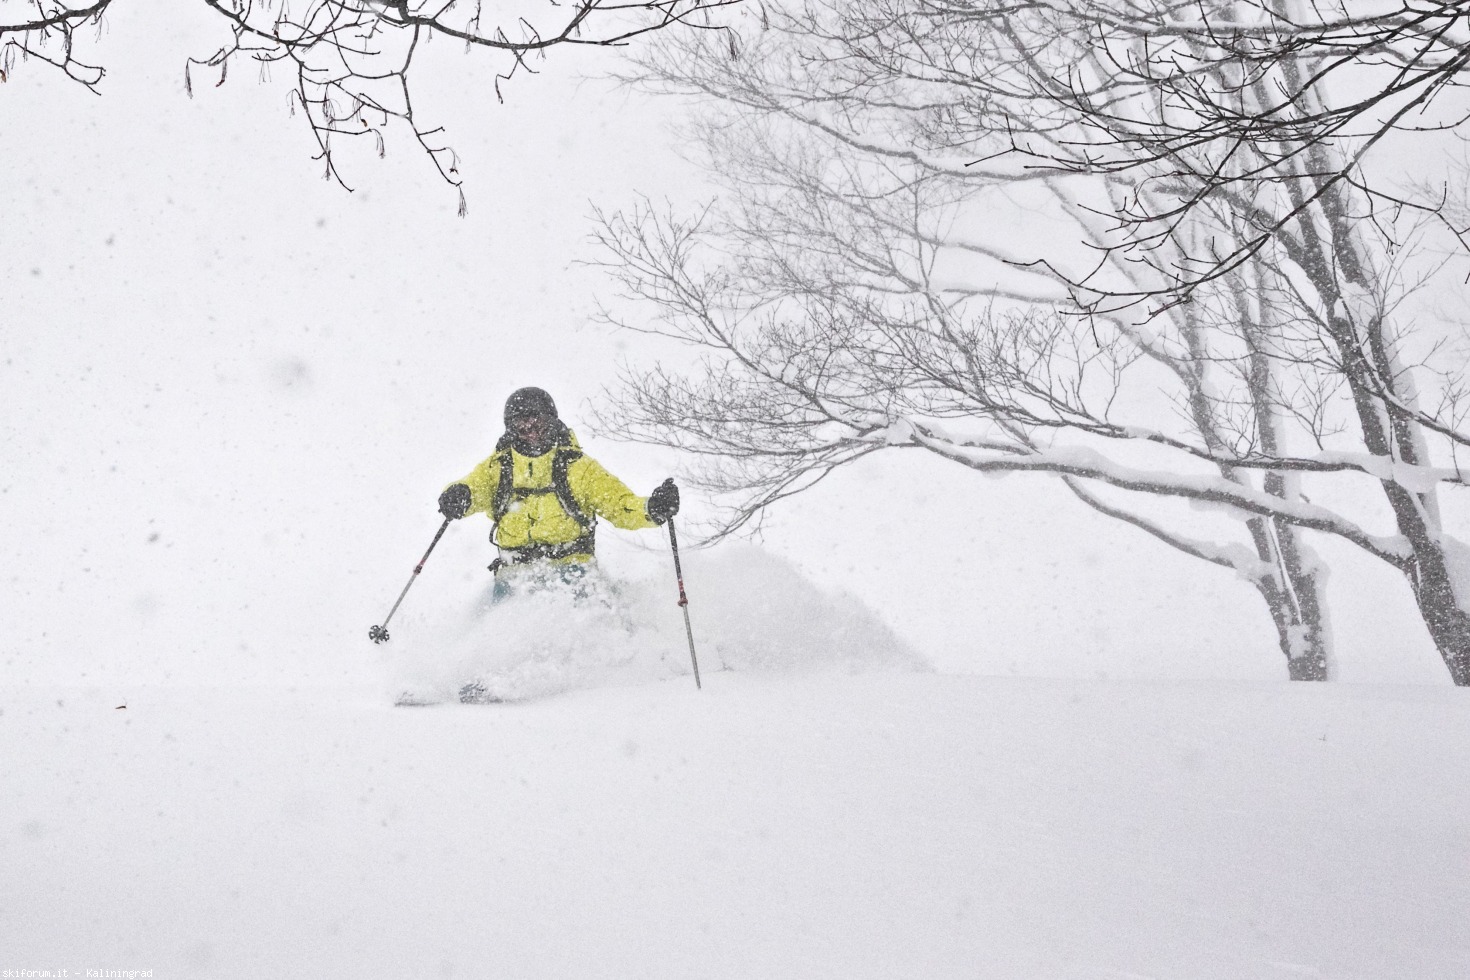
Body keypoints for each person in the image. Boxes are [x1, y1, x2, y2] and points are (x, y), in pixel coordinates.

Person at [437, 386, 680, 603]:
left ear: (551, 422)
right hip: (514, 576)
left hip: (573, 573)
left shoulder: (579, 468)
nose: (531, 432)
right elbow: (475, 488)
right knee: (491, 641)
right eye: (522, 426)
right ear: (511, 429)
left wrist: (652, 508)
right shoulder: (498, 467)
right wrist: (459, 496)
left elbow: (619, 506)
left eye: (538, 424)